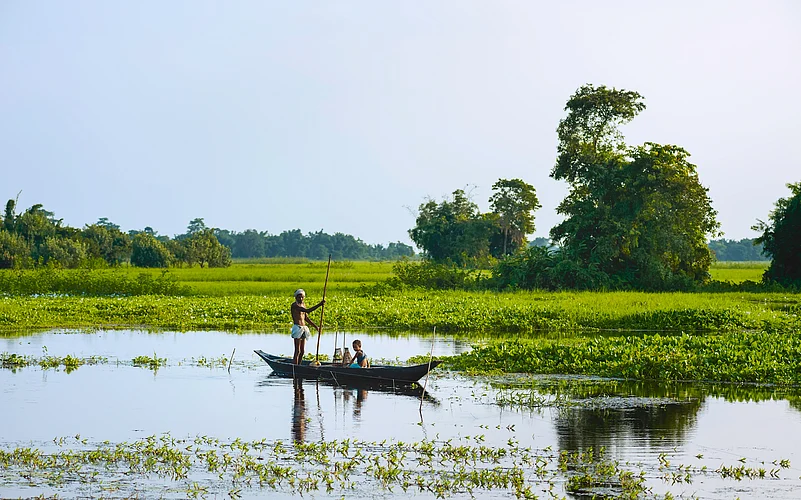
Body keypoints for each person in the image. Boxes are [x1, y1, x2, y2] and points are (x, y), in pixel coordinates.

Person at [290, 289, 324, 365]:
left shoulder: (303, 304)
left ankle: (299, 365)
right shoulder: (294, 305)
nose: (300, 299)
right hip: (297, 328)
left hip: (304, 328)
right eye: (299, 297)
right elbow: (308, 310)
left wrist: (316, 326)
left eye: (302, 297)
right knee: (297, 351)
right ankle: (295, 367)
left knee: (302, 351)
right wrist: (319, 304)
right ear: (296, 297)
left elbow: (306, 318)